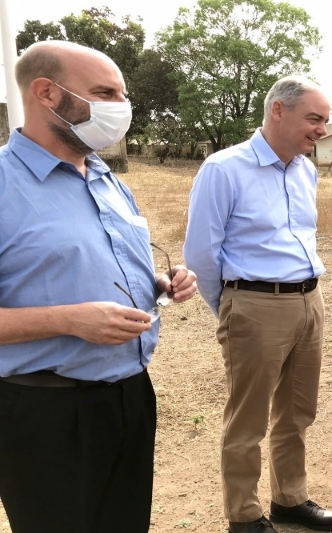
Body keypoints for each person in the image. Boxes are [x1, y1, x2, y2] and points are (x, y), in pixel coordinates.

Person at [0, 41, 197, 533]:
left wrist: (157, 284)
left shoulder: (106, 179)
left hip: (130, 394)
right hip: (44, 409)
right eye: (105, 93)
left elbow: (97, 267)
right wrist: (69, 320)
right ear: (47, 92)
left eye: (122, 95)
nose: (121, 108)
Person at [184, 76, 332, 533]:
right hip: (255, 305)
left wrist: (304, 300)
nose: (322, 130)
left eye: (325, 121)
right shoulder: (224, 169)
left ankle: (290, 499)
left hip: (309, 300)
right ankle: (244, 514)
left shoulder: (304, 170)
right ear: (278, 111)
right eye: (313, 119)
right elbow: (200, 254)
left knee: (297, 412)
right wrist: (234, 308)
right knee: (248, 419)